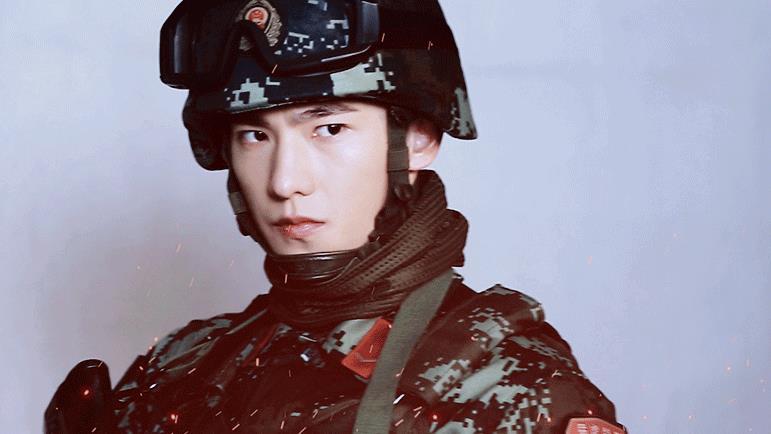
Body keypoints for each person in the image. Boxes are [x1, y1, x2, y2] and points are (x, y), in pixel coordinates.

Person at [45, 1, 625, 433]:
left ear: (418, 139)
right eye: (254, 135)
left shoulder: (513, 388)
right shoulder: (182, 363)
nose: (284, 181)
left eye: (329, 128)